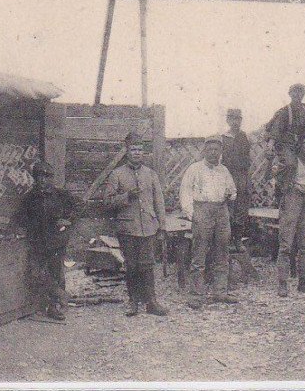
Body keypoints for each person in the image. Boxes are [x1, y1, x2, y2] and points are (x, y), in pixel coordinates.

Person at [103, 133, 168, 317]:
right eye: (133, 149)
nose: (137, 153)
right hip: (127, 228)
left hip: (148, 227)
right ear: (127, 151)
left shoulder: (151, 174)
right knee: (131, 266)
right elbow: (107, 202)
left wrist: (162, 226)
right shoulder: (117, 174)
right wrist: (126, 197)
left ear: (143, 152)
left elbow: (159, 202)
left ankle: (151, 302)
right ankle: (133, 302)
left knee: (147, 265)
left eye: (139, 149)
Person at [11, 159, 80, 322]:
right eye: (39, 177)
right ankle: (59, 297)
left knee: (56, 272)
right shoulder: (29, 198)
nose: (43, 180)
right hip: (37, 241)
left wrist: (68, 220)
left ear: (52, 178)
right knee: (38, 273)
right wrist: (16, 229)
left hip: (57, 241)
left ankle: (56, 306)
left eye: (46, 176)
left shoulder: (61, 195)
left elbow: (79, 206)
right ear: (35, 179)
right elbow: (18, 217)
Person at [179, 135, 238, 307]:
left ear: (221, 152)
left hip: (221, 211)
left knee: (222, 252)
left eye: (217, 150)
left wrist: (230, 195)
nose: (213, 153)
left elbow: (233, 191)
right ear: (204, 151)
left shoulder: (224, 171)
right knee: (199, 254)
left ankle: (220, 292)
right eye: (210, 149)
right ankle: (196, 295)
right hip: (202, 211)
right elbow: (185, 193)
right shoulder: (194, 169)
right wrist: (193, 214)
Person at [276, 133, 305, 297]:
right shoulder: (291, 161)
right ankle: (282, 283)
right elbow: (278, 179)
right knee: (286, 244)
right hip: (292, 200)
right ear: (300, 145)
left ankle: (303, 281)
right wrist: (295, 186)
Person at [265, 83, 305, 201]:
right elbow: (276, 130)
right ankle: (284, 194)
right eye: (295, 92)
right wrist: (270, 145)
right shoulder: (284, 112)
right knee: (290, 164)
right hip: (287, 144)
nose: (298, 95)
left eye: (300, 92)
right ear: (290, 94)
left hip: (303, 143)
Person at [222, 108, 251, 246]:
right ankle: (226, 239)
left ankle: (237, 238)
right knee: (228, 206)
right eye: (233, 118)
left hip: (242, 175)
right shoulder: (223, 138)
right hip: (228, 175)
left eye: (238, 119)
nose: (236, 122)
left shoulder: (243, 136)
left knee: (241, 206)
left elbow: (247, 158)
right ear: (228, 120)